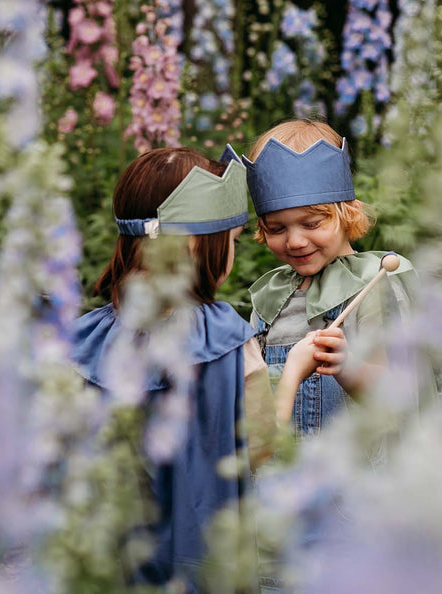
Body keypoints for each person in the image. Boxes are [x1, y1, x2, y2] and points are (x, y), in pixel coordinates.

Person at [70, 146, 321, 591]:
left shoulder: (85, 340)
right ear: (192, 245)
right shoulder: (225, 339)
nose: (232, 252)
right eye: (232, 240)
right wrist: (295, 370)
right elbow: (258, 449)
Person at [241, 119, 415, 436]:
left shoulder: (372, 285)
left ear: (347, 213)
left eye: (311, 223)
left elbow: (398, 398)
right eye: (277, 229)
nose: (294, 241)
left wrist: (348, 368)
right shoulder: (271, 296)